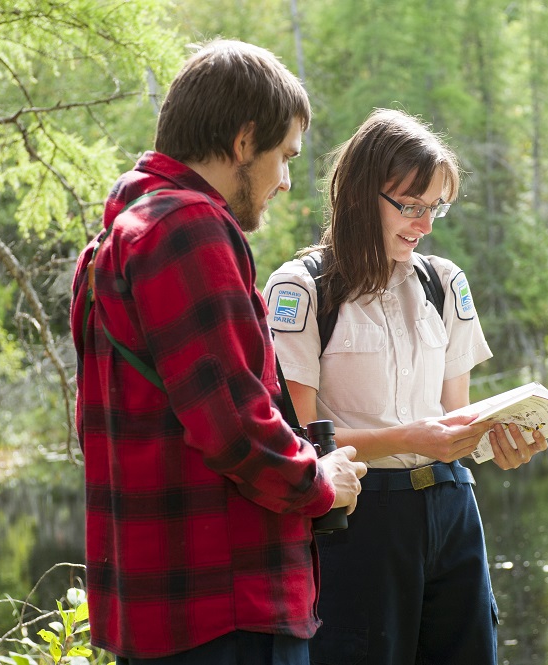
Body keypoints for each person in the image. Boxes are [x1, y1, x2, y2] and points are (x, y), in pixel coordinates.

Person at [69, 39, 366, 665]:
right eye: (284, 156)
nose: (285, 181)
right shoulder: (189, 229)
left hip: (160, 611)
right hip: (226, 612)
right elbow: (237, 427)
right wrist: (321, 481)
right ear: (242, 140)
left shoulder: (113, 242)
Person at [262, 108, 548, 665]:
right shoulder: (301, 287)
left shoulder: (444, 282)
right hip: (359, 518)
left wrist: (500, 441)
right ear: (362, 191)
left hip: (452, 505)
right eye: (412, 206)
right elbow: (296, 439)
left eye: (435, 207)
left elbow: (454, 418)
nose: (426, 223)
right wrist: (407, 437)